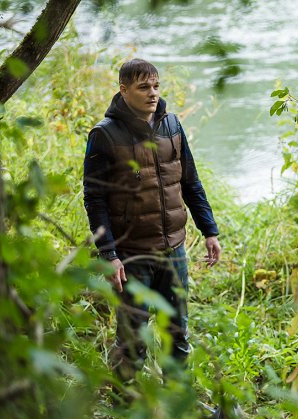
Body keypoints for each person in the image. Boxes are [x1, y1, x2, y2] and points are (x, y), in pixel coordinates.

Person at [83, 59, 221, 381]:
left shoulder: (172, 125)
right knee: (132, 344)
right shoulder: (104, 136)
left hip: (174, 251)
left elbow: (190, 182)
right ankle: (125, 413)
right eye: (144, 87)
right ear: (124, 90)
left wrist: (209, 230)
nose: (153, 93)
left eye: (156, 86)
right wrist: (110, 255)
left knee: (178, 335)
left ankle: (176, 413)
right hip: (132, 256)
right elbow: (95, 199)